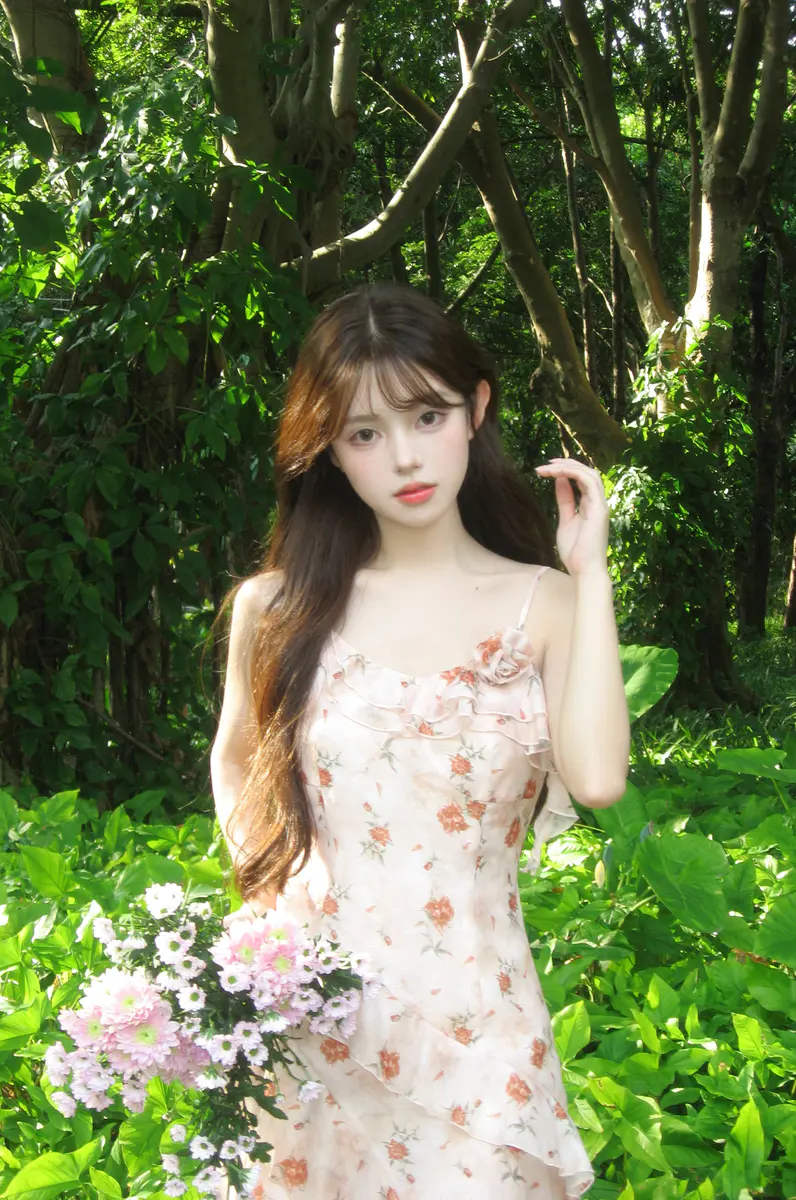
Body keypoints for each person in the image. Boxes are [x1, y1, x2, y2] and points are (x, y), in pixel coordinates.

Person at [210, 283, 630, 1199]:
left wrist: (591, 572)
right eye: (364, 433)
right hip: (318, 1019)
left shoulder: (546, 605)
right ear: (329, 451)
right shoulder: (276, 609)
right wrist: (266, 903)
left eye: (427, 416)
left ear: (475, 409)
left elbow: (598, 779)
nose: (404, 456)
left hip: (480, 1033)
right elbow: (237, 758)